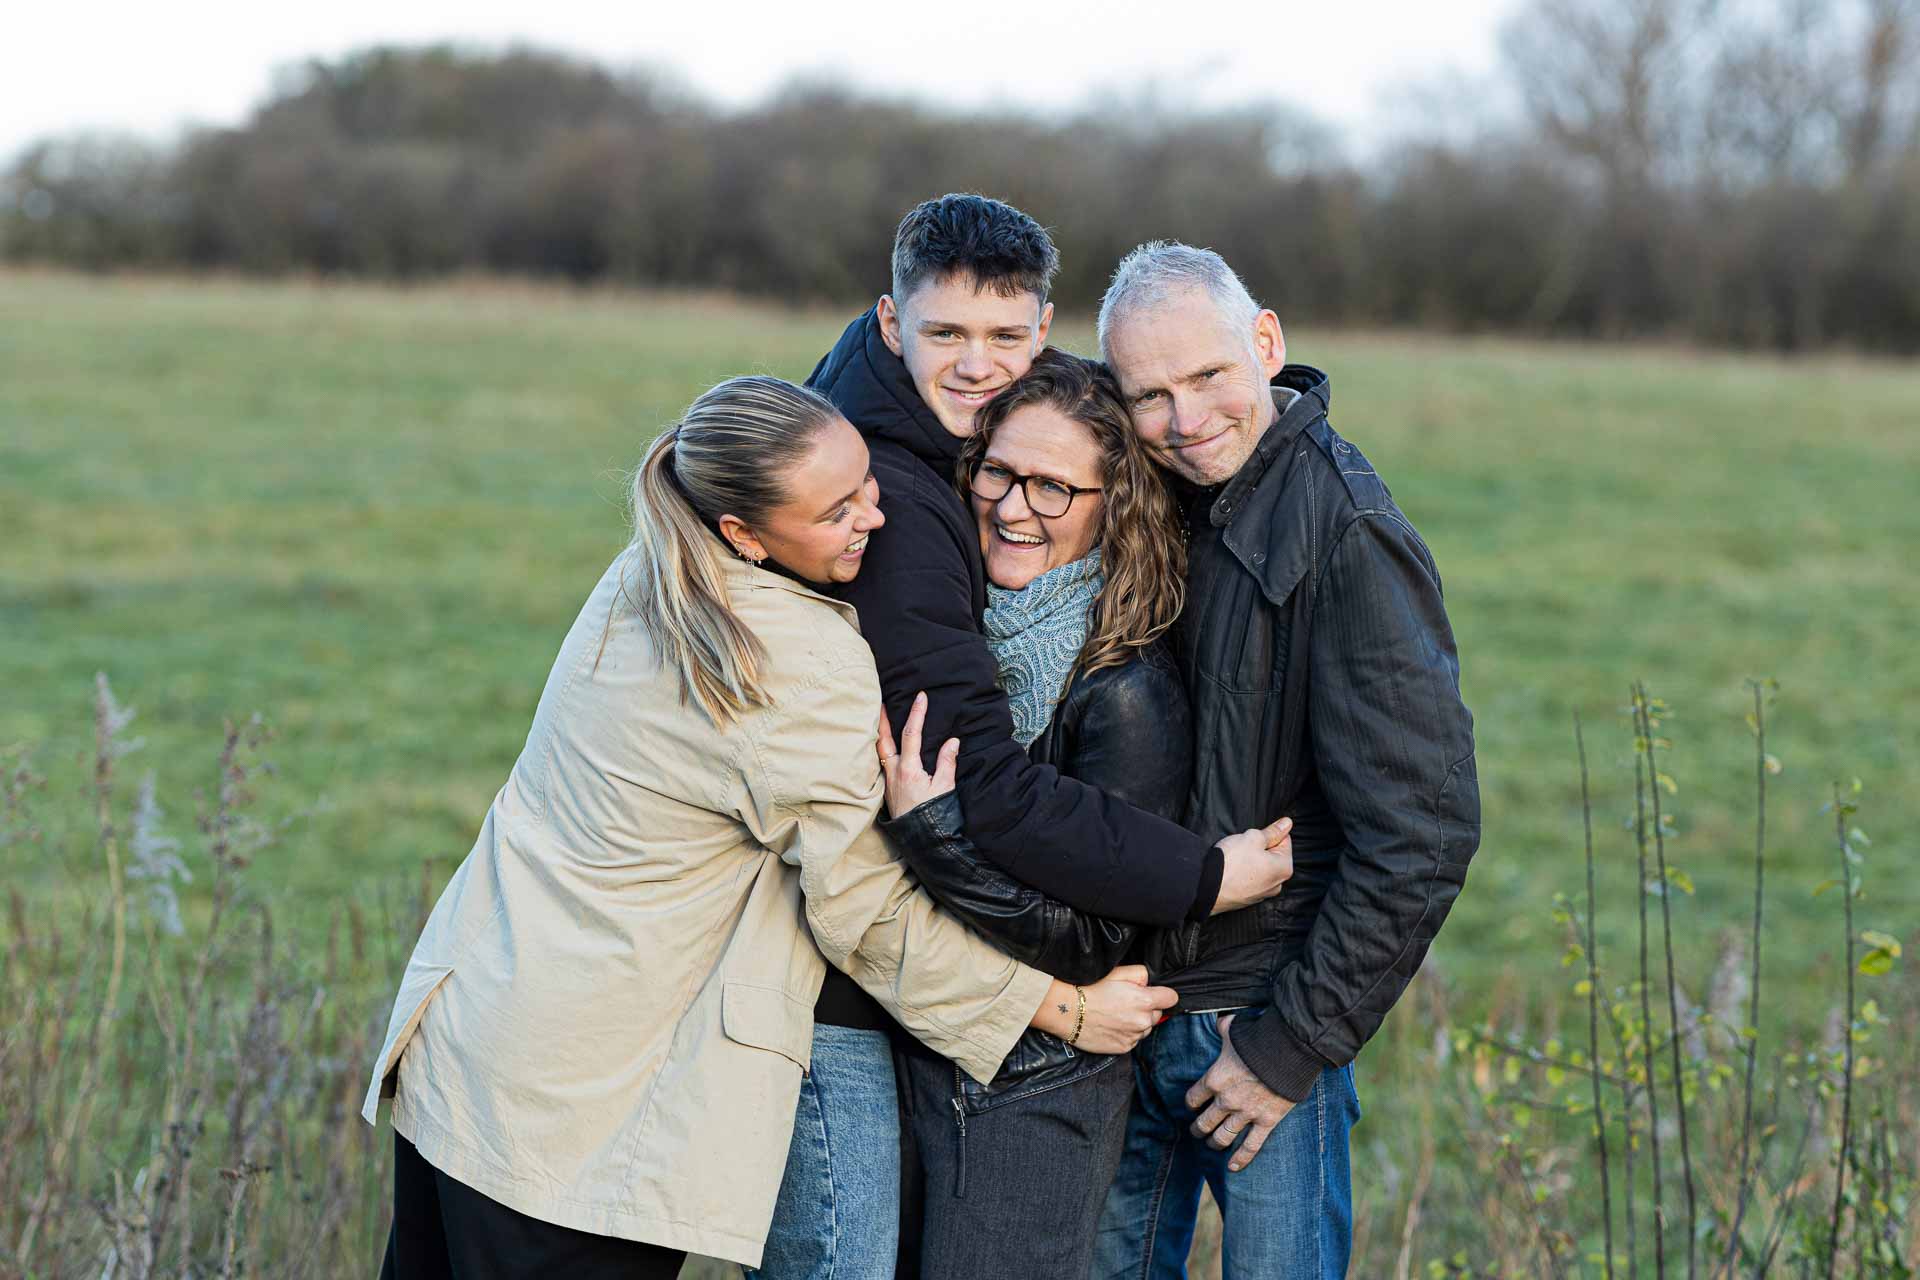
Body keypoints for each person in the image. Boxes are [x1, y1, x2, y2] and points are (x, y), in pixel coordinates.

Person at [360, 375, 1176, 1280]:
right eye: (837, 512)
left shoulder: (650, 569)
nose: (878, 516)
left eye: (868, 482)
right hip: (570, 1118)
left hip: (472, 1037)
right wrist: (1061, 1007)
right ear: (744, 533)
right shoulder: (796, 658)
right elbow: (870, 915)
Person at [1091, 242, 1482, 1279]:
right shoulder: (1144, 501)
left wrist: (1290, 1045)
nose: (1186, 417)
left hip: (1259, 1018)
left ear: (1266, 342)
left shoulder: (1345, 528)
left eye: (1210, 376)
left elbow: (1425, 830)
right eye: (1151, 394)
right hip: (1125, 1012)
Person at [872, 350, 1294, 1278]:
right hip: (928, 1047)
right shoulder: (942, 636)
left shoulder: (1123, 690)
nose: (1015, 507)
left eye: (1056, 489)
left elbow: (1101, 941)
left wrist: (935, 839)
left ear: (1116, 509)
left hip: (1037, 1087)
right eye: (999, 472)